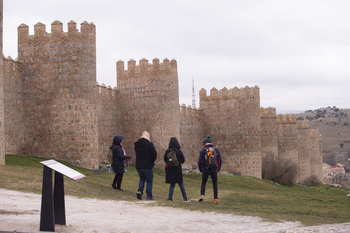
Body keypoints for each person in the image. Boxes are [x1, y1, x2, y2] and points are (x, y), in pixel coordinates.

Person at [164, 137, 190, 202]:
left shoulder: (167, 151)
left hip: (170, 169)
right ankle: (185, 197)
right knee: (181, 183)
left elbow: (165, 159)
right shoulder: (179, 151)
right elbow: (182, 161)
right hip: (177, 169)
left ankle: (170, 198)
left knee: (172, 184)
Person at [198, 136, 222, 203]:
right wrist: (217, 169)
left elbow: (200, 161)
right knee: (215, 184)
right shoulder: (216, 150)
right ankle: (215, 198)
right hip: (214, 170)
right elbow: (219, 160)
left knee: (203, 182)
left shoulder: (203, 150)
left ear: (205, 143)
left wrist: (201, 169)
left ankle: (202, 195)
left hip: (206, 169)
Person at [134, 131, 157, 200]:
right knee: (149, 181)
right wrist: (152, 161)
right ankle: (149, 195)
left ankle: (140, 191)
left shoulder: (137, 144)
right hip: (147, 165)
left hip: (138, 165)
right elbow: (154, 154)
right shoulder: (149, 144)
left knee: (142, 179)